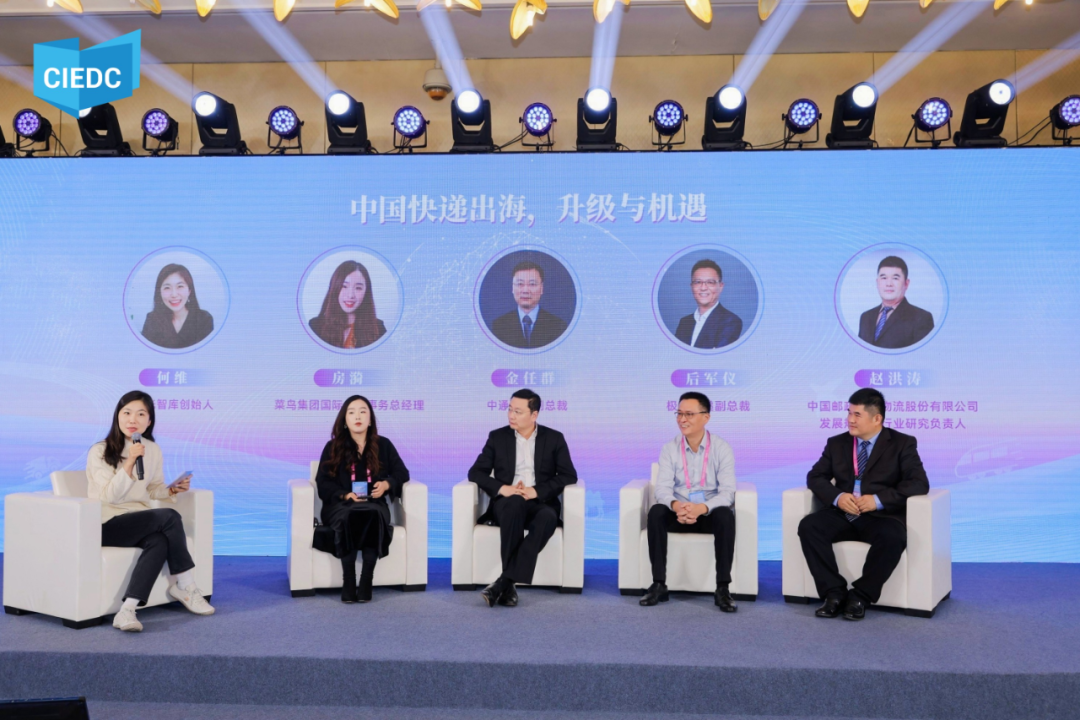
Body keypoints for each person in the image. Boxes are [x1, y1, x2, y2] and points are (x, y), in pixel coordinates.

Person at [86, 390, 214, 632]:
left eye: (141, 414)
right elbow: (109, 496)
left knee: (159, 540)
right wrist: (129, 462)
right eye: (127, 413)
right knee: (169, 517)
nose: (132, 419)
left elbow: (153, 489)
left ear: (149, 421)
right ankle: (187, 585)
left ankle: (127, 610)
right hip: (106, 523)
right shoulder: (100, 451)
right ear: (117, 417)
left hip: (138, 521)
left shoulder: (152, 449)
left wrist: (173, 489)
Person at [798, 388, 930, 621]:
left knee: (893, 536)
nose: (850, 419)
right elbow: (815, 477)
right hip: (843, 513)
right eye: (849, 413)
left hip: (879, 516)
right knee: (809, 526)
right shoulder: (837, 443)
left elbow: (919, 483)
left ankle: (860, 596)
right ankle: (833, 593)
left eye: (857, 414)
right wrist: (838, 497)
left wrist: (878, 500)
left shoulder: (902, 443)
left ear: (877, 418)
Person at [467, 388, 577, 607]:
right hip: (507, 503)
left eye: (518, 412)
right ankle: (508, 585)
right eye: (509, 409)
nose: (511, 415)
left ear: (534, 415)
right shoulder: (497, 437)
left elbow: (569, 475)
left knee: (548, 517)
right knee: (515, 503)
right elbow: (475, 473)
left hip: (540, 502)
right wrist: (503, 488)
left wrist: (537, 491)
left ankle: (505, 583)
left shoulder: (554, 438)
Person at [640, 391, 738, 612]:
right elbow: (662, 488)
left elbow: (728, 492)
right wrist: (677, 506)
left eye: (689, 414)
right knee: (656, 512)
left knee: (725, 515)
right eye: (679, 413)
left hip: (707, 514)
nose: (682, 419)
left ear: (706, 417)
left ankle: (723, 588)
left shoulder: (722, 448)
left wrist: (701, 508)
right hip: (679, 513)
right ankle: (658, 584)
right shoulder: (670, 448)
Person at [314, 395, 409, 603]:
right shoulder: (332, 447)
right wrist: (344, 494)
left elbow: (402, 473)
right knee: (350, 515)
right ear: (344, 420)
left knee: (371, 514)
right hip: (341, 506)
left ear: (370, 419)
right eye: (351, 412)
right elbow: (323, 482)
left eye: (363, 411)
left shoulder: (384, 445)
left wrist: (387, 484)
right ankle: (349, 580)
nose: (357, 416)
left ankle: (366, 580)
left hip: (374, 504)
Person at [857, 256, 934, 349]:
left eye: (895, 278)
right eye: (884, 278)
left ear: (906, 283)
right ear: (877, 282)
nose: (889, 284)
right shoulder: (866, 317)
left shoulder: (921, 318)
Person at [490, 260, 569, 349]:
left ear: (541, 288)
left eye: (532, 284)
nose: (525, 290)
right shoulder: (499, 326)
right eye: (520, 284)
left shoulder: (558, 326)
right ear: (512, 288)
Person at [309, 261, 387, 349]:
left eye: (358, 288)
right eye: (344, 286)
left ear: (366, 292)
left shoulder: (379, 329)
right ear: (335, 288)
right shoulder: (315, 326)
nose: (350, 295)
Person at [140, 264, 214, 349]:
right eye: (167, 288)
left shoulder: (204, 319)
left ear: (189, 290)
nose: (174, 294)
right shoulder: (152, 319)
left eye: (180, 286)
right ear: (159, 292)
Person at [674, 260, 743, 350]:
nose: (703, 288)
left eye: (710, 282)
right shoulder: (685, 322)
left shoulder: (730, 322)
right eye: (698, 282)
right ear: (691, 286)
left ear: (720, 286)